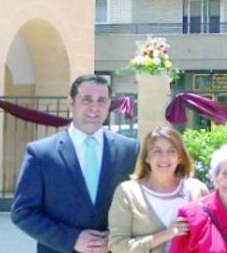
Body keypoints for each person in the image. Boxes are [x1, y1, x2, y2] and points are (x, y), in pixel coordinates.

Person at [11, 74, 140, 253]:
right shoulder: (41, 153)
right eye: (86, 99)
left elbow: (141, 204)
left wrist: (119, 236)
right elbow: (23, 212)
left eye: (102, 100)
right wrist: (71, 239)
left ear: (109, 105)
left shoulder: (129, 150)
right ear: (70, 102)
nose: (94, 107)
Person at [108, 126, 209, 252]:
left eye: (171, 151)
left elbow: (210, 237)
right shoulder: (127, 193)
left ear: (180, 157)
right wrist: (167, 234)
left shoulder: (196, 190)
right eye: (157, 151)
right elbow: (117, 245)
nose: (164, 158)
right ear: (147, 158)